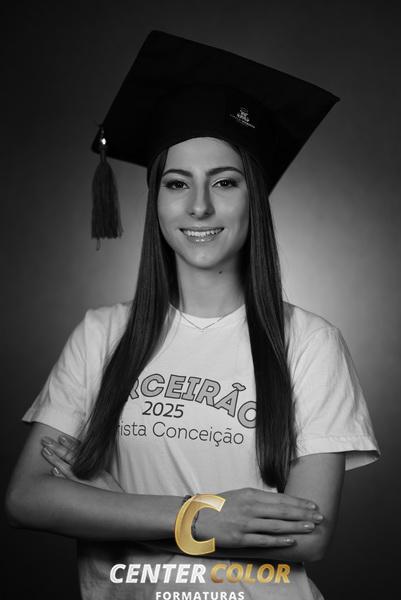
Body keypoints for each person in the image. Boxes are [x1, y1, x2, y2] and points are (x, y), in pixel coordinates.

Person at [5, 31, 380, 600]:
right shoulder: (102, 334)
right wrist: (199, 516)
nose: (199, 206)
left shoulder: (308, 342)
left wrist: (107, 504)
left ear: (254, 198)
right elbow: (27, 499)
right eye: (177, 183)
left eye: (224, 183)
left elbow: (306, 537)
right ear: (156, 201)